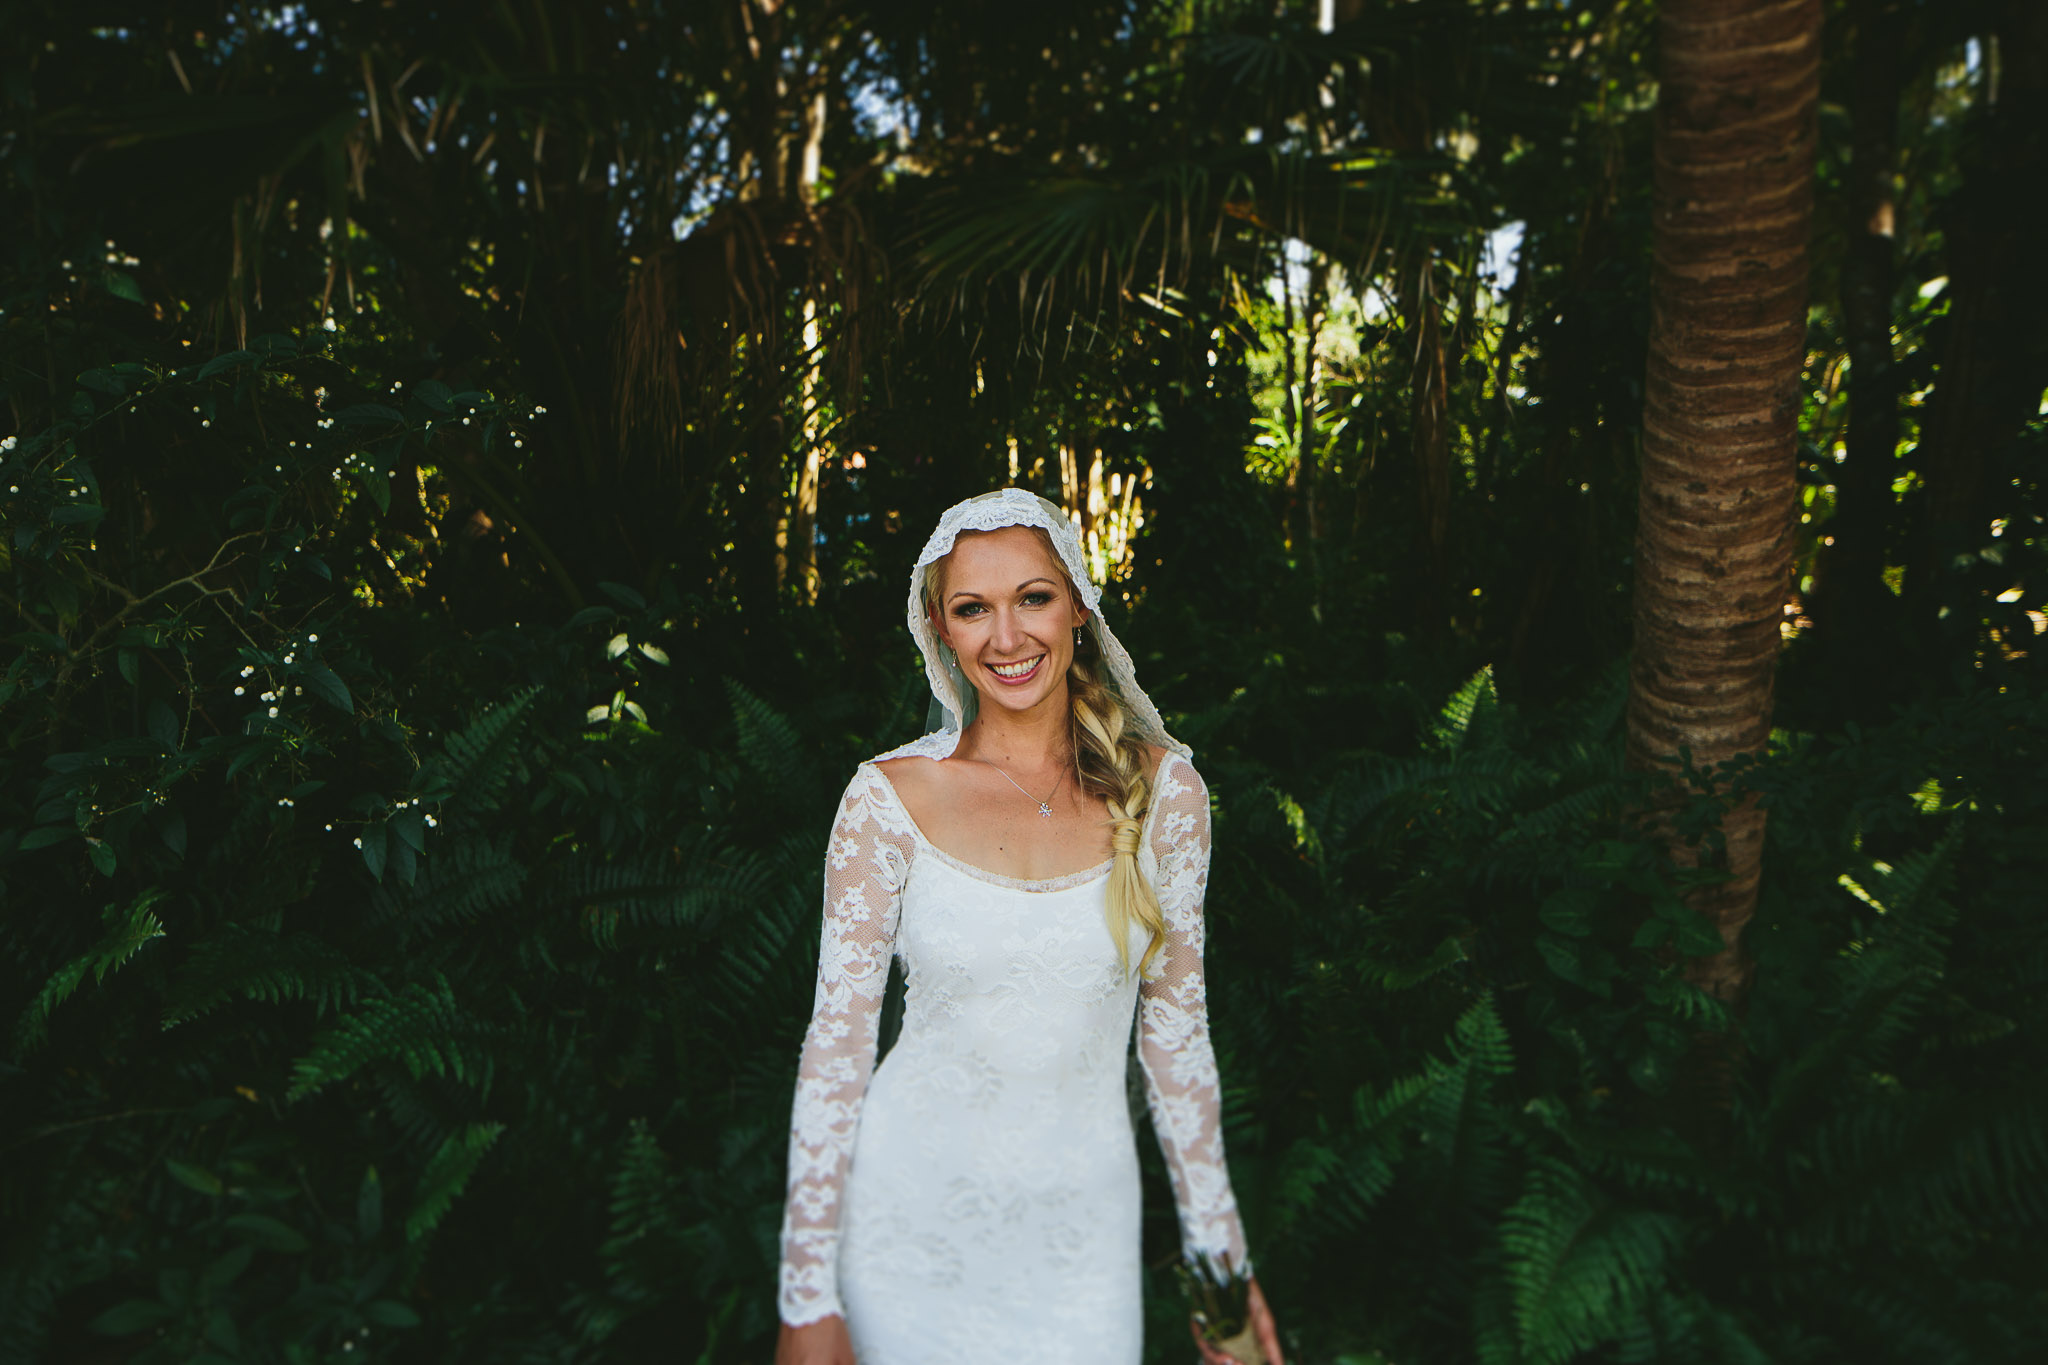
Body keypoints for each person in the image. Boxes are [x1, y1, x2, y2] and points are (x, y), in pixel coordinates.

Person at [774, 488, 1283, 1365]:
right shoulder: (886, 800)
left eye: (1033, 598)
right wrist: (806, 1291)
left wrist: (1220, 1269)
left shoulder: (1167, 796)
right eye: (973, 608)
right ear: (940, 627)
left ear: (1079, 604)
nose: (1007, 638)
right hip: (905, 1228)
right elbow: (837, 1047)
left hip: (1081, 1242)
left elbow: (1177, 1044)